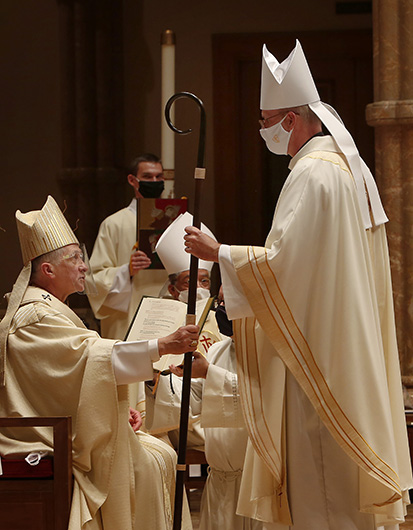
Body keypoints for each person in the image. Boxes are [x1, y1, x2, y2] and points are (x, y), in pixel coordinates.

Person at [183, 41, 413, 529]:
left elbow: (285, 267)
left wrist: (219, 253)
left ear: (291, 120)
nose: (261, 130)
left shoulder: (312, 174)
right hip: (341, 347)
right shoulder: (347, 168)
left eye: (265, 120)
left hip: (318, 362)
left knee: (322, 493)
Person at [0, 195, 198, 530]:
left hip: (65, 427)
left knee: (160, 455)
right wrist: (162, 344)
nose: (84, 266)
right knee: (151, 462)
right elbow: (92, 357)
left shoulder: (49, 309)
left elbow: (72, 373)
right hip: (44, 437)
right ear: (47, 270)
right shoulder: (35, 316)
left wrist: (117, 408)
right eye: (75, 259)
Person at [170, 291, 263, 530]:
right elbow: (195, 399)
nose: (222, 307)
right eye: (219, 301)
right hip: (219, 481)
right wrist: (161, 379)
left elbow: (260, 402)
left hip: (253, 487)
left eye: (228, 299)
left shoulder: (269, 350)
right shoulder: (217, 350)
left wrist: (209, 373)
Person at [144, 212, 222, 450]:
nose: (199, 288)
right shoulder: (159, 321)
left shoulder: (225, 317)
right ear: (173, 288)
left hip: (221, 402)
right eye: (190, 282)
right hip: (180, 411)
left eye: (205, 281)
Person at [88, 153, 168, 341]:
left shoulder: (176, 223)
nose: (155, 181)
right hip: (128, 317)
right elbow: (94, 278)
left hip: (168, 313)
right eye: (148, 177)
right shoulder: (114, 224)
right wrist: (127, 271)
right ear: (132, 180)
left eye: (159, 177)